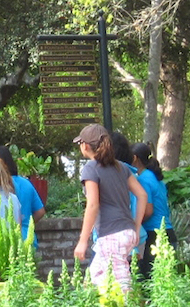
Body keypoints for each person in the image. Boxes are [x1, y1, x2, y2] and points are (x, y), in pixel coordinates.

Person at [73, 124, 148, 297]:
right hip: (126, 232)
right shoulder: (121, 167)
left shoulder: (90, 168)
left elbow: (93, 204)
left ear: (85, 145)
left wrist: (83, 241)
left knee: (121, 289)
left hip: (110, 236)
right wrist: (135, 227)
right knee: (92, 282)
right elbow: (142, 195)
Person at [131, 142, 174, 278]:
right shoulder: (156, 177)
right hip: (168, 232)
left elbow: (148, 211)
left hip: (154, 235)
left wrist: (134, 224)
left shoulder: (143, 179)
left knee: (150, 281)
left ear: (134, 158)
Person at [0, 148, 46, 246]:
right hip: (27, 237)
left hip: (6, 239)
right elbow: (40, 211)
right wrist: (28, 223)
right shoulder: (25, 183)